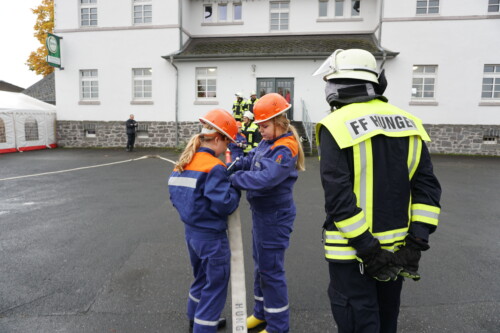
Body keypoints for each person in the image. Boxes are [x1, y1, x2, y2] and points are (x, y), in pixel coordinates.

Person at [314, 49, 442, 333]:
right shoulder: (410, 123)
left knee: (358, 322)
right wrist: (416, 241)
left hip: (353, 255)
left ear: (338, 85)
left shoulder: (335, 125)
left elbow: (338, 198)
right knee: (386, 321)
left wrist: (368, 249)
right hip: (397, 253)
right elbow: (427, 188)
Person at [229, 93, 305, 333]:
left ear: (279, 122)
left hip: (275, 217)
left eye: (264, 125)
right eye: (259, 125)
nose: (259, 129)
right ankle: (262, 314)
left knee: (271, 271)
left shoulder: (286, 147)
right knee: (261, 266)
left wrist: (233, 179)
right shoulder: (268, 142)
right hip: (263, 215)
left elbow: (266, 178)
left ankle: (278, 326)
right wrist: (230, 166)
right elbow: (251, 159)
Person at [168, 108, 241, 333]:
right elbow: (226, 204)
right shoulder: (215, 167)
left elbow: (175, 196)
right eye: (227, 142)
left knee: (201, 278)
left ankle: (194, 319)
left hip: (191, 234)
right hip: (211, 237)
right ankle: (204, 327)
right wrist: (235, 186)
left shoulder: (186, 161)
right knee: (216, 284)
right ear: (217, 138)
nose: (227, 147)